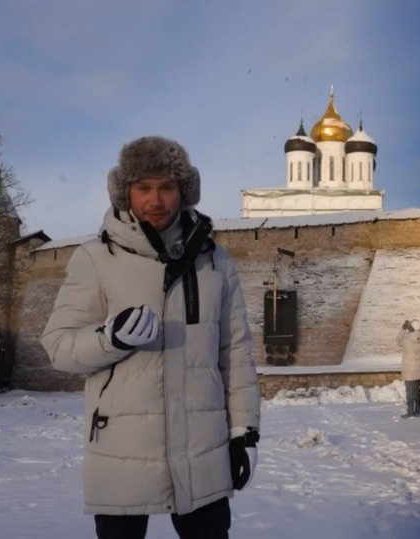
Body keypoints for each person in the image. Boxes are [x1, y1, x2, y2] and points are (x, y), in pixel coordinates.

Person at [41, 136, 261, 539]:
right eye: (143, 187)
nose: (155, 200)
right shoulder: (95, 259)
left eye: (166, 187)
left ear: (184, 191)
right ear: (125, 192)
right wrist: (110, 339)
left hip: (202, 450)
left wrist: (244, 432)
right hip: (120, 451)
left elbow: (235, 354)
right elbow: (58, 346)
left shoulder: (215, 261)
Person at [397, 319, 420, 419]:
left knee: (410, 392)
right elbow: (419, 336)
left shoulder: (407, 341)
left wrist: (403, 329)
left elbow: (398, 340)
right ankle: (417, 411)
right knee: (417, 391)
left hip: (408, 371)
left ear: (411, 328)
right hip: (418, 369)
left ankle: (410, 412)